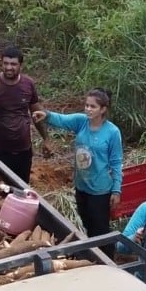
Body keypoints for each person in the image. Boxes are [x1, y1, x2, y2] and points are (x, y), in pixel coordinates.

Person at [32, 89, 123, 255]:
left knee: (100, 228)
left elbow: (116, 162)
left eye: (93, 106)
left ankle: (108, 259)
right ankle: (94, 255)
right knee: (87, 223)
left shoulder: (112, 132)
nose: (88, 109)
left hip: (100, 189)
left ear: (103, 109)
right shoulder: (81, 122)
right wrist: (46, 115)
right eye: (87, 105)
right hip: (82, 186)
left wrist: (116, 189)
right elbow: (62, 119)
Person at [0, 46, 53, 184]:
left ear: (20, 65)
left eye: (13, 64)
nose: (9, 67)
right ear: (1, 63)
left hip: (23, 151)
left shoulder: (28, 84)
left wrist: (46, 139)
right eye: (6, 63)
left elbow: (36, 113)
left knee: (21, 187)